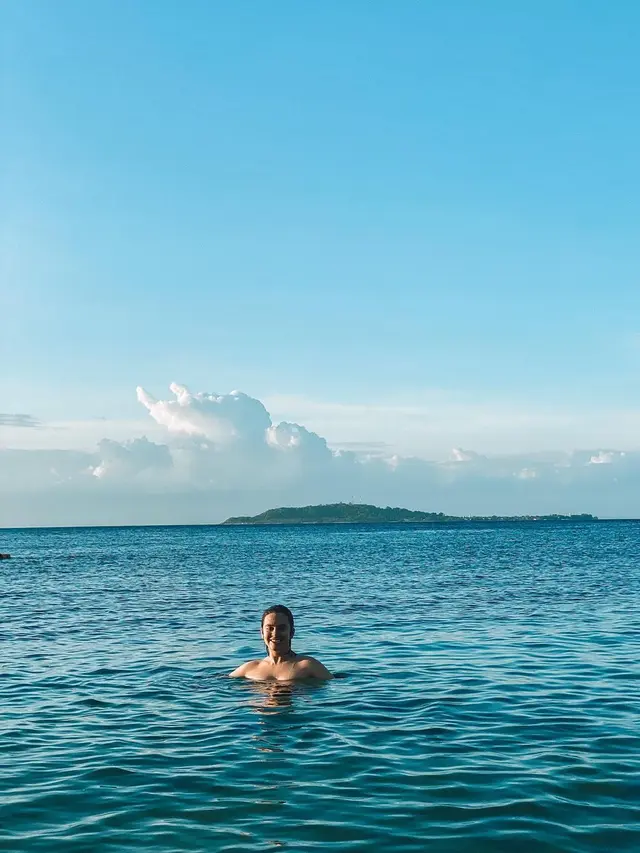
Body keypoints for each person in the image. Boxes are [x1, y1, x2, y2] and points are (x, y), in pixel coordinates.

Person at [229, 604, 333, 681]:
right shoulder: (250, 669)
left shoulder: (307, 666)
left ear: (291, 632)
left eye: (281, 628)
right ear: (261, 633)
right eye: (270, 628)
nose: (275, 633)